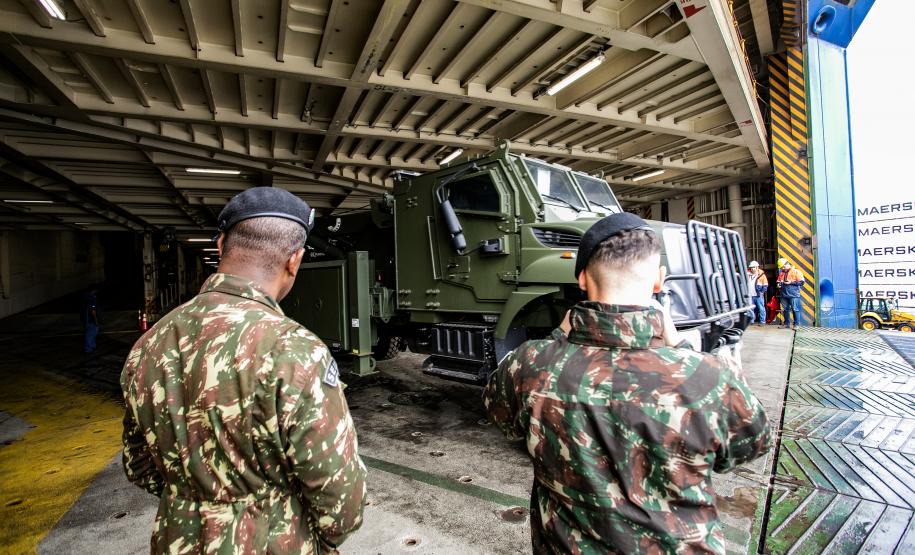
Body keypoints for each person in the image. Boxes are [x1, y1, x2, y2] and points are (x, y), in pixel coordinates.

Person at [483, 213, 771, 554]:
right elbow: (751, 445)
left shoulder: (529, 365)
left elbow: (503, 419)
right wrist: (681, 346)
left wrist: (558, 335)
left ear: (582, 279)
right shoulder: (709, 376)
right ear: (659, 281)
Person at [120, 187, 367, 554]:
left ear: (221, 245)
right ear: (294, 260)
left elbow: (139, 464)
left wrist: (195, 502)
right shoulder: (294, 350)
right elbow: (341, 502)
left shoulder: (149, 344)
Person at [776, 257, 805, 329]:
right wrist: (778, 285)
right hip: (784, 295)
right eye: (781, 268)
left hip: (793, 295)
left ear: (787, 264)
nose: (782, 269)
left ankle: (796, 324)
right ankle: (786, 324)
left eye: (783, 267)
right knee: (786, 309)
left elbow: (802, 282)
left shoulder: (796, 272)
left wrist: (791, 282)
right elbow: (778, 281)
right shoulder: (781, 274)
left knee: (795, 309)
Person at [747, 261, 768, 325]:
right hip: (750, 295)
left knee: (761, 308)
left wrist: (761, 292)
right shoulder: (747, 274)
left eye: (754, 267)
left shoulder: (762, 275)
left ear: (757, 267)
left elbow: (765, 285)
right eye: (751, 267)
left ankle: (762, 321)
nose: (753, 269)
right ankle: (751, 321)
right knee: (751, 309)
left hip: (758, 295)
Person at [82, 284, 99, 354]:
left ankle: (92, 347)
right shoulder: (91, 298)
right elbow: (93, 311)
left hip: (86, 319)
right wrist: (96, 320)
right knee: (91, 334)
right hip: (90, 320)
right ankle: (89, 349)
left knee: (92, 333)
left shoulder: (86, 297)